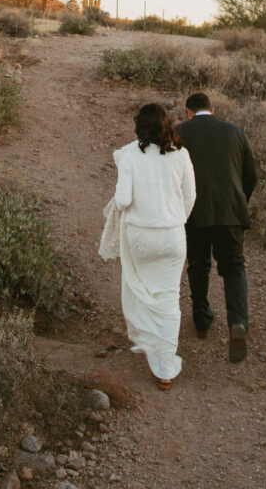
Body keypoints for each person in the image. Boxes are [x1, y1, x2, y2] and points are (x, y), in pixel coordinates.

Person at [113, 103, 196, 389]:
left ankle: (148, 342)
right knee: (169, 297)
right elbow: (190, 197)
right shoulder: (181, 155)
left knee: (141, 288)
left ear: (139, 126)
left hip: (140, 235)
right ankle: (165, 368)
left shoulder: (129, 155)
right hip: (172, 234)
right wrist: (174, 221)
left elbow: (123, 200)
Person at [174, 92, 258, 363]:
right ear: (213, 109)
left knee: (198, 263)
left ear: (188, 111)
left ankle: (201, 318)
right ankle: (239, 321)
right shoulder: (235, 131)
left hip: (194, 212)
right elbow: (251, 174)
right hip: (230, 211)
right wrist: (239, 201)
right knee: (234, 266)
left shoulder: (178, 132)